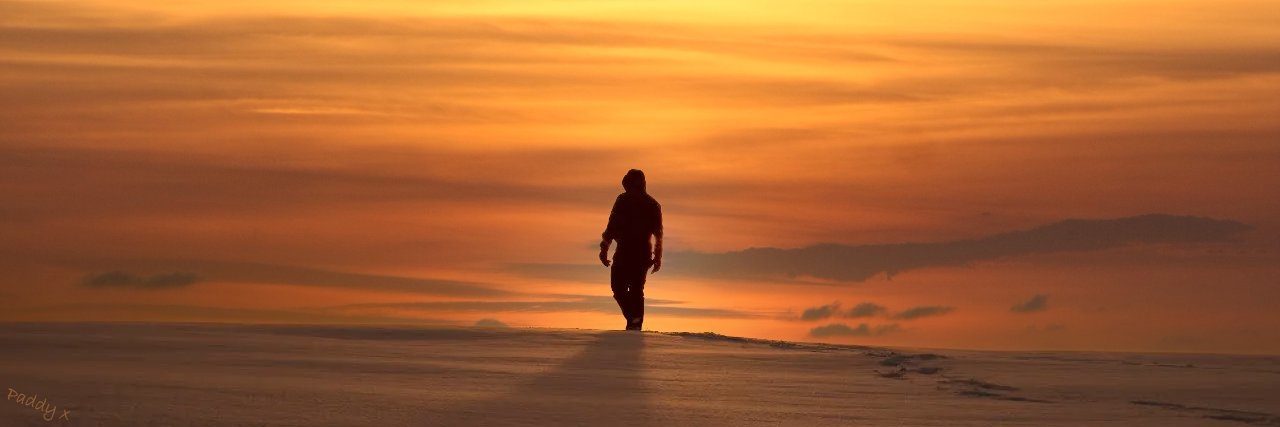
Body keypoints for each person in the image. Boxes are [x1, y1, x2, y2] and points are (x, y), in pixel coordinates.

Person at [599, 169, 663, 331]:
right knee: (631, 289)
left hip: (631, 252)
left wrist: (604, 247)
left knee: (624, 288)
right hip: (637, 253)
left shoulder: (627, 200)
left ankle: (634, 323)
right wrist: (657, 257)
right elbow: (659, 235)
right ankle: (634, 323)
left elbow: (612, 226)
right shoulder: (651, 203)